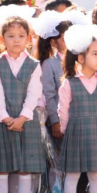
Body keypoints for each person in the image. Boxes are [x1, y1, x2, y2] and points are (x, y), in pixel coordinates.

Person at [0, 15, 45, 193]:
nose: (16, 40)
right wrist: (4, 116)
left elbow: (34, 92)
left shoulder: (33, 64)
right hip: (4, 120)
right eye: (10, 36)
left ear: (29, 38)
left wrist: (23, 116)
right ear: (1, 39)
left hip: (25, 121)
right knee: (2, 167)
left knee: (25, 167)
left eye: (21, 36)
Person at [57, 24, 97, 193]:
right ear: (80, 58)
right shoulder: (70, 83)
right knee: (73, 174)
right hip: (76, 131)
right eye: (94, 53)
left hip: (96, 130)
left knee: (96, 173)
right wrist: (65, 130)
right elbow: (63, 110)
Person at [32, 14, 71, 151]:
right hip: (60, 120)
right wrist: (55, 120)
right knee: (60, 158)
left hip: (77, 119)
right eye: (65, 39)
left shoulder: (81, 60)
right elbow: (49, 94)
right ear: (54, 43)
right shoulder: (49, 64)